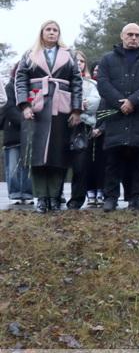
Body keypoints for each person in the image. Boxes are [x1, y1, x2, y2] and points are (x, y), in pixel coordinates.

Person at [14, 20, 83, 213]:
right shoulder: (29, 54)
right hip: (37, 109)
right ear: (42, 32)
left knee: (58, 154)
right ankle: (41, 198)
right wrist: (25, 106)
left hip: (61, 109)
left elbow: (77, 82)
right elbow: (20, 80)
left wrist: (76, 110)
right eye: (48, 30)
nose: (52, 33)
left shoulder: (69, 55)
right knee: (37, 155)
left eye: (55, 30)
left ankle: (54, 196)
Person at [96, 23, 139, 211]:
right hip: (116, 117)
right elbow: (102, 83)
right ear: (122, 36)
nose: (134, 38)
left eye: (137, 35)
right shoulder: (108, 59)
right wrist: (120, 103)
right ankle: (110, 198)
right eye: (130, 34)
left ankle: (138, 196)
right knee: (113, 160)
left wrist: (133, 101)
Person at [67, 53, 103, 209]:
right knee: (59, 164)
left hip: (82, 127)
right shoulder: (63, 81)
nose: (79, 63)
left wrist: (78, 109)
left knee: (80, 165)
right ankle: (55, 196)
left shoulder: (90, 84)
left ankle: (77, 199)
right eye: (76, 60)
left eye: (82, 60)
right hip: (62, 126)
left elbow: (95, 103)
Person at [2, 66, 34, 204]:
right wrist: (24, 120)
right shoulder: (10, 87)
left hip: (30, 133)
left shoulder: (31, 88)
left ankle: (27, 193)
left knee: (27, 165)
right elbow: (8, 107)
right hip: (13, 133)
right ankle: (15, 193)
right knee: (13, 165)